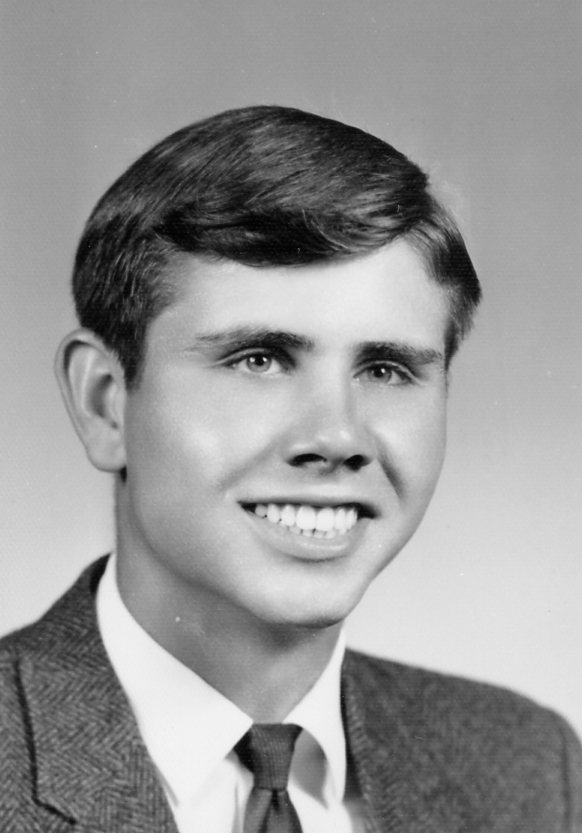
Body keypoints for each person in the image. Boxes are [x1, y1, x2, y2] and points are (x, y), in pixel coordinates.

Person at [1, 105, 580, 832]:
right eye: (259, 360)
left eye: (386, 368)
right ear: (105, 403)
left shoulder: (527, 767)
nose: (336, 436)